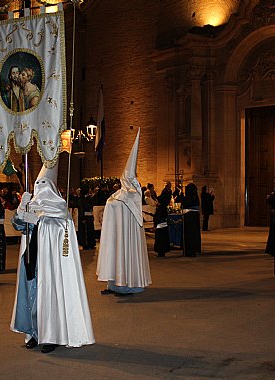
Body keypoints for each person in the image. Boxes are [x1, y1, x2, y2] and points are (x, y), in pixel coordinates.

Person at [10, 159, 95, 353]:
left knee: (50, 294)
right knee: (31, 294)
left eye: (43, 184)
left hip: (51, 263)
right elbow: (18, 225)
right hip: (32, 259)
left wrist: (40, 221)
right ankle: (33, 332)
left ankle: (53, 335)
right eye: (37, 184)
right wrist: (21, 211)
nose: (40, 188)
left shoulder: (60, 209)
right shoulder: (31, 204)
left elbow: (60, 230)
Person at [97, 128, 151, 296]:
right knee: (114, 253)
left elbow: (120, 207)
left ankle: (126, 285)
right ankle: (113, 284)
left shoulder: (132, 196)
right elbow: (111, 206)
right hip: (116, 234)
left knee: (125, 254)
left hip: (127, 236)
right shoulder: (118, 195)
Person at [182, 182, 201, 257]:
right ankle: (195, 249)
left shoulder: (188, 197)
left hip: (189, 216)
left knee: (189, 234)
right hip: (195, 216)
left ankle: (190, 250)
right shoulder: (195, 196)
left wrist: (181, 196)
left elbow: (184, 203)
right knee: (195, 233)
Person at [153, 181, 172, 257]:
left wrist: (155, 224)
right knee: (164, 237)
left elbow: (158, 217)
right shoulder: (164, 205)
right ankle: (163, 251)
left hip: (160, 224)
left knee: (160, 238)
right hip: (164, 223)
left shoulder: (161, 207)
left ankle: (160, 252)